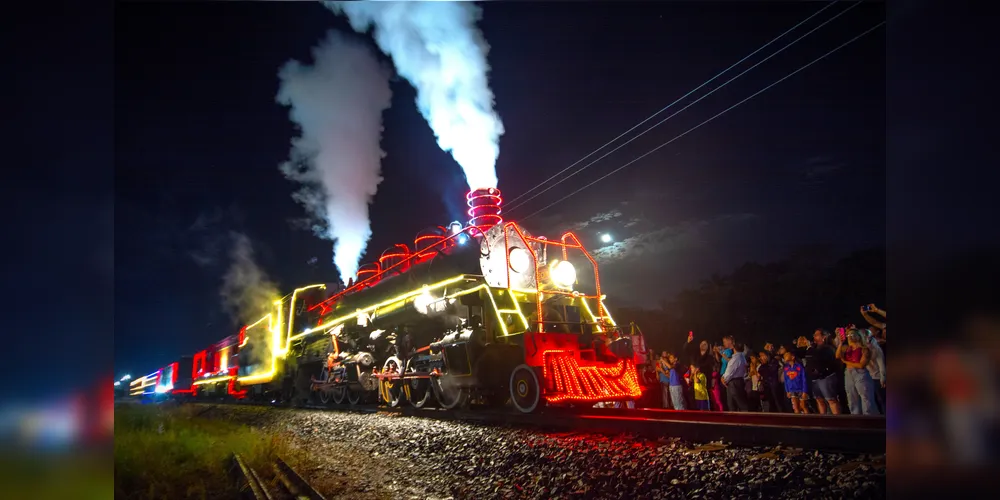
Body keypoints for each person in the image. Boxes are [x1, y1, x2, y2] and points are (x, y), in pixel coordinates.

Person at [837, 329, 877, 415]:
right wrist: (840, 343)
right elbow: (837, 356)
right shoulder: (847, 348)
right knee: (851, 398)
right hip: (848, 373)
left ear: (859, 336)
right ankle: (856, 419)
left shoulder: (864, 349)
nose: (850, 336)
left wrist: (845, 361)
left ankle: (869, 419)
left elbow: (861, 365)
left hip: (860, 373)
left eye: (853, 334)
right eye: (848, 335)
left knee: (866, 397)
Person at [808, 329, 843, 415]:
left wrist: (821, 370)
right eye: (814, 335)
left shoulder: (828, 348)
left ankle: (838, 423)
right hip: (815, 379)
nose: (814, 337)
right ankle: (823, 421)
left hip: (826, 377)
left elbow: (831, 363)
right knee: (819, 400)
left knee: (831, 400)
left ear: (823, 337)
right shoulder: (814, 348)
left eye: (816, 335)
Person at [864, 328, 887, 414]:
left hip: (876, 377)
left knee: (881, 400)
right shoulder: (863, 348)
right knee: (873, 400)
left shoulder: (876, 348)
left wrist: (883, 378)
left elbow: (881, 364)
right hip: (867, 377)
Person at [721, 342, 750, 411]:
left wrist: (724, 379)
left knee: (736, 404)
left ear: (734, 348)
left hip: (734, 383)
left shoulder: (736, 358)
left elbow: (730, 371)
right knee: (735, 404)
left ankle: (745, 419)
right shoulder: (742, 357)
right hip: (738, 381)